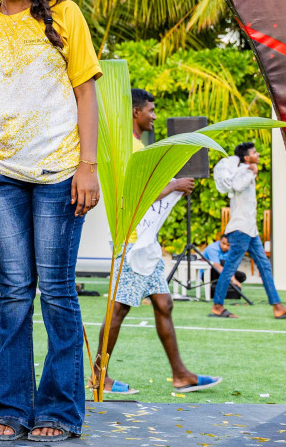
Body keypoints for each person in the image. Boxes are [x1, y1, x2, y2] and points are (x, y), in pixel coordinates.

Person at [0, 0, 101, 441]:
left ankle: (60, 411)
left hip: (58, 171)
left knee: (55, 292)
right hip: (0, 171)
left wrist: (88, 167)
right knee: (13, 294)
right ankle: (10, 407)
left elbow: (87, 94)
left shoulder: (65, 16)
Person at [94, 89, 222, 395]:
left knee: (164, 303)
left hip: (145, 241)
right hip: (131, 241)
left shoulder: (138, 145)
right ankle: (98, 376)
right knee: (118, 310)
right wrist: (174, 184)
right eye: (150, 110)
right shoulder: (130, 146)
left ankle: (181, 375)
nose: (154, 116)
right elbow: (135, 192)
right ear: (136, 112)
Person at [211, 141, 286, 319]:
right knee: (230, 268)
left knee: (265, 267)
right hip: (241, 230)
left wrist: (252, 172)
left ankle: (277, 307)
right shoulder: (243, 171)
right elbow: (236, 185)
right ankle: (218, 306)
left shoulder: (245, 171)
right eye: (254, 152)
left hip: (250, 230)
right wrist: (250, 172)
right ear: (246, 157)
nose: (258, 154)